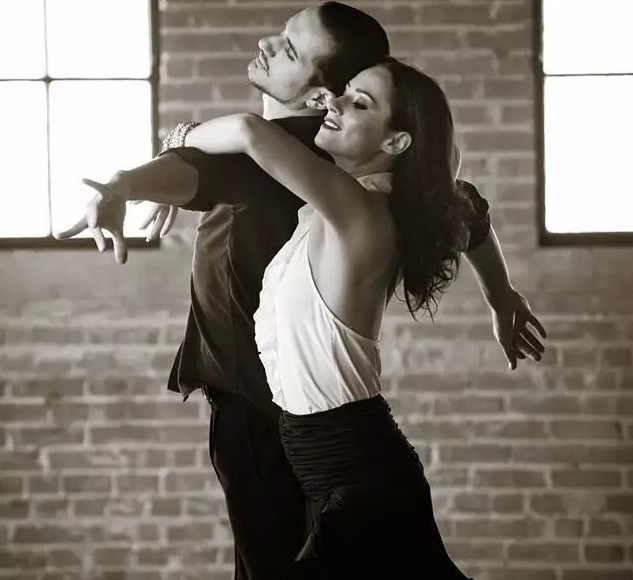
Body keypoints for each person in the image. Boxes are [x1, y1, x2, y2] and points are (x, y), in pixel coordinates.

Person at [55, 3, 546, 579]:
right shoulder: (389, 187)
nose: (266, 43)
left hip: (301, 437)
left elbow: (240, 140)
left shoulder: (332, 190)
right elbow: (467, 210)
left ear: (324, 98)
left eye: (290, 48)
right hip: (325, 446)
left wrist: (138, 171)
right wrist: (501, 297)